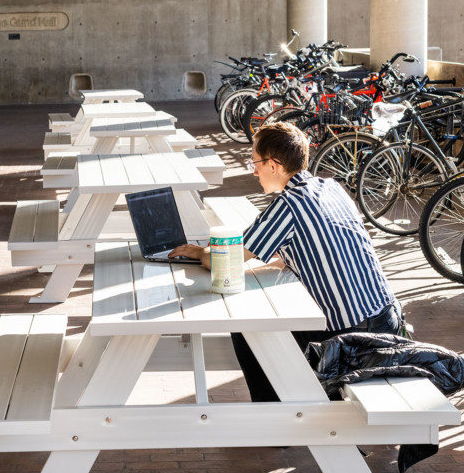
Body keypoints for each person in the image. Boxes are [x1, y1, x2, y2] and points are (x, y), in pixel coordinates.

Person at [169, 121, 404, 402]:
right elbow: (310, 252)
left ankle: (275, 415)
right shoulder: (330, 187)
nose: (252, 170)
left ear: (273, 164)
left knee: (249, 326)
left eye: (254, 161)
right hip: (388, 318)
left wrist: (196, 252)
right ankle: (280, 406)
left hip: (355, 336)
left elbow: (226, 259)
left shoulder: (288, 206)